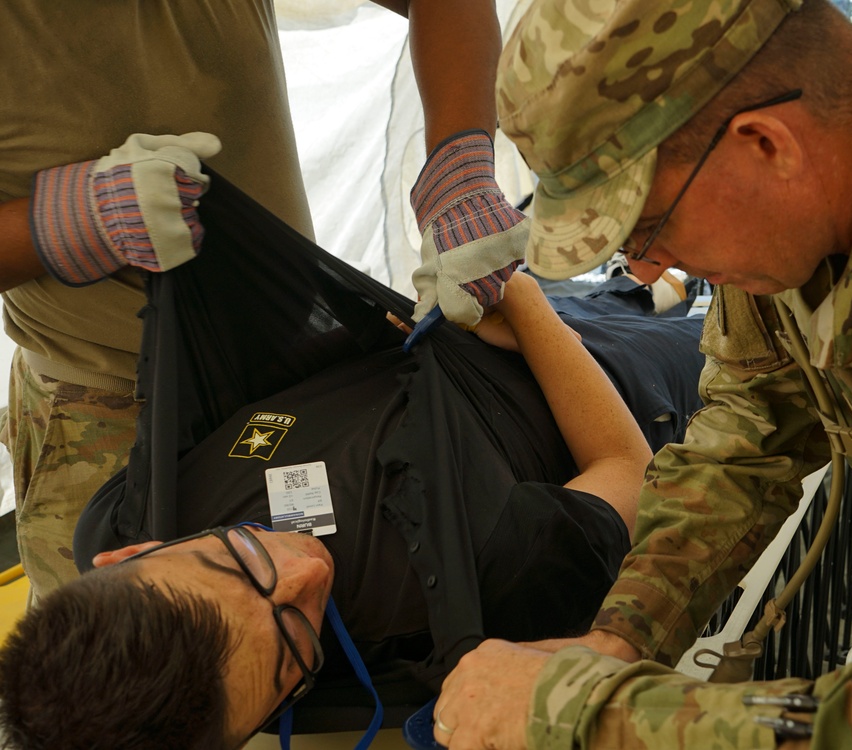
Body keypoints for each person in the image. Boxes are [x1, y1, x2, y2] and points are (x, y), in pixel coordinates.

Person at [431, 0, 852, 747]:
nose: (642, 268)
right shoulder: (839, 132)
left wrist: (580, 715)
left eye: (647, 225)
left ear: (766, 145)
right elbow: (746, 430)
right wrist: (621, 638)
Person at [0, 268, 690, 748]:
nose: (305, 573)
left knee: (628, 289)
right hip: (617, 379)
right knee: (725, 327)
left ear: (127, 557)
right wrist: (525, 303)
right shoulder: (483, 583)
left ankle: (655, 289)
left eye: (237, 560)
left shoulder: (123, 516)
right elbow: (629, 470)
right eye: (293, 649)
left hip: (476, 326)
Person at [0, 0, 523, 603]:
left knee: (328, 632)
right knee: (133, 674)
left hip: (299, 372)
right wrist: (64, 223)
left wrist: (461, 166)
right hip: (106, 411)